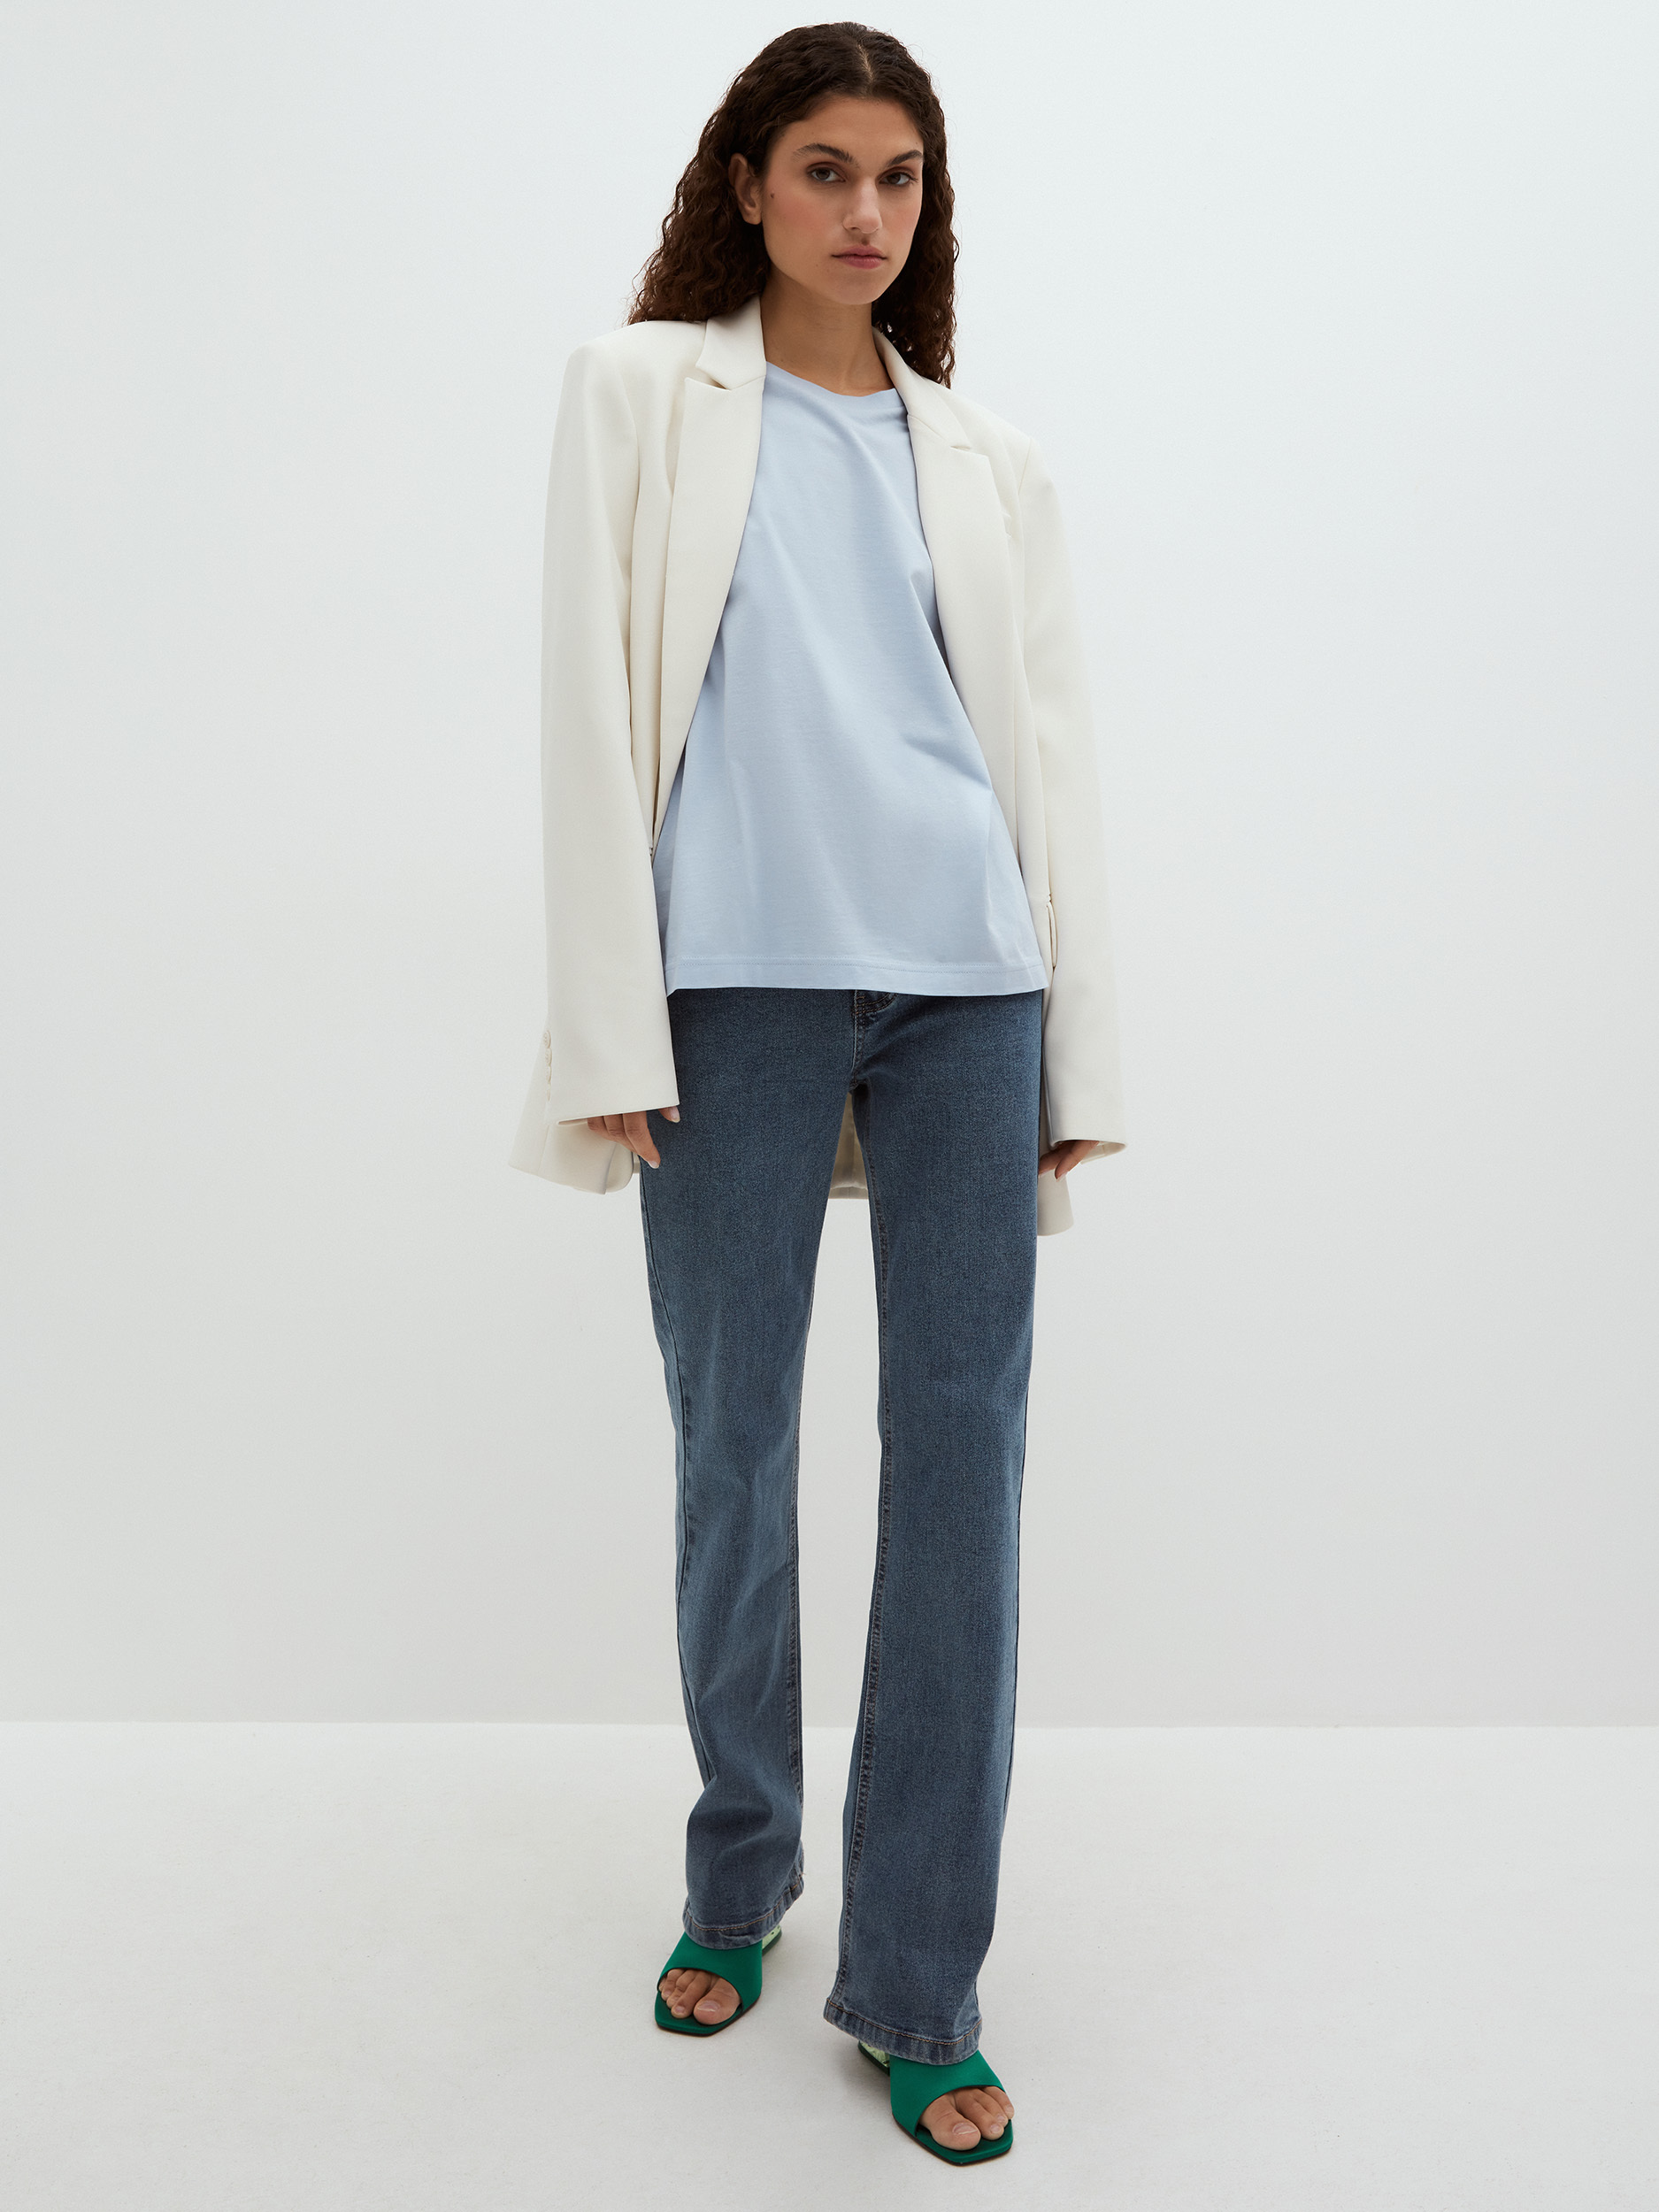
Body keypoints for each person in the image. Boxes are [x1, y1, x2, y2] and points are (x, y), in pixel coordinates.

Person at [509, 21, 1125, 2166]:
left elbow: (1051, 764)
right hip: (731, 988)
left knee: (961, 1468)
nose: (866, 210)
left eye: (899, 176)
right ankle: (738, 1862)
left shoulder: (991, 460)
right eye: (826, 169)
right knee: (732, 1437)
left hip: (967, 989)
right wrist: (608, 1023)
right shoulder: (636, 393)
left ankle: (920, 1983)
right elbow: (584, 713)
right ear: (748, 185)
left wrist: (1073, 1049)